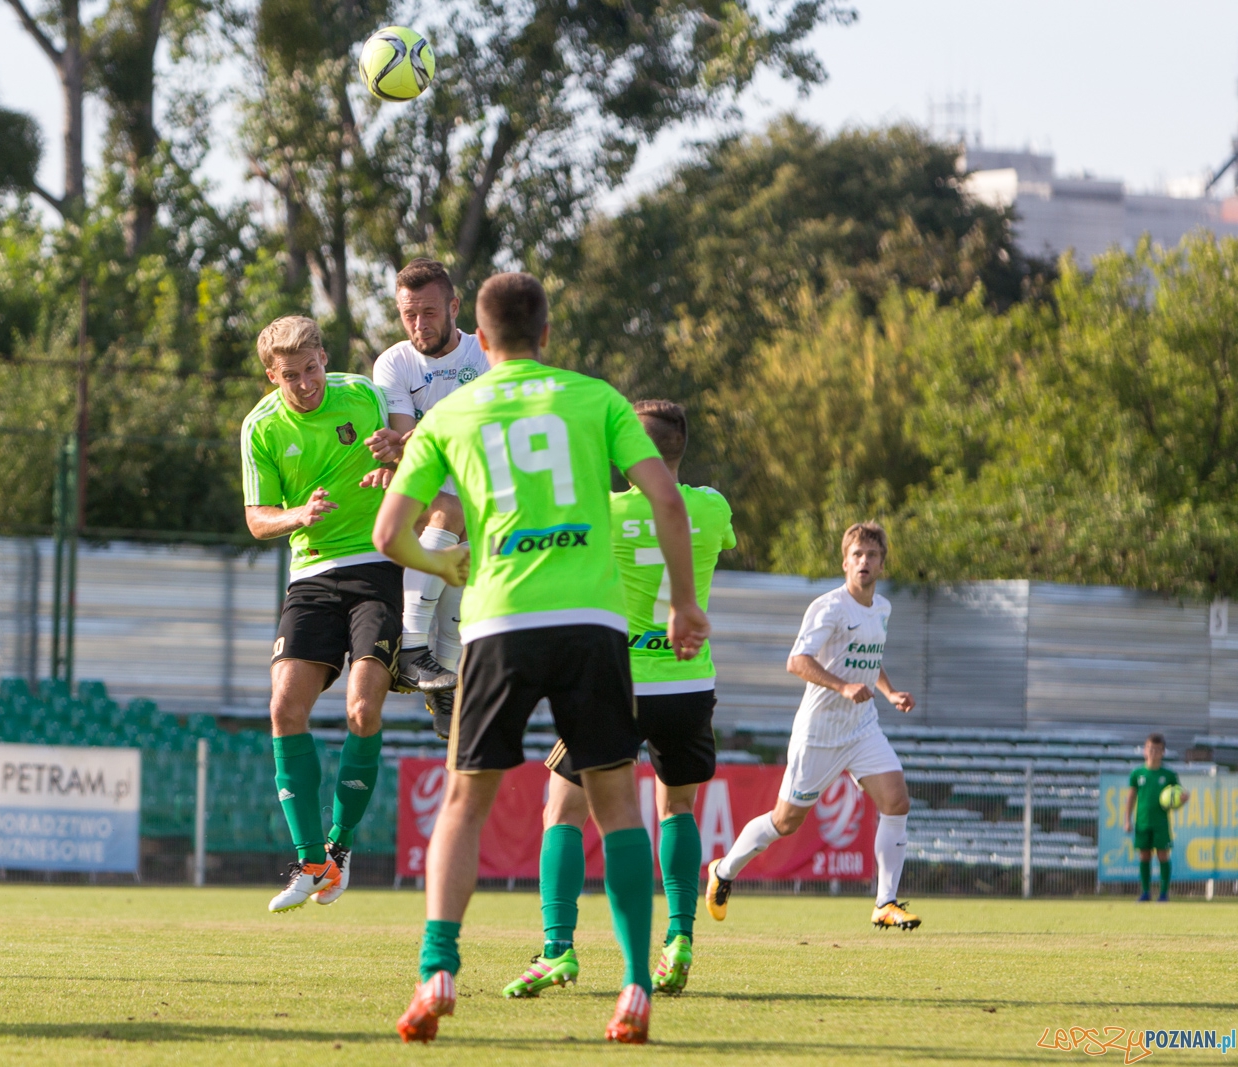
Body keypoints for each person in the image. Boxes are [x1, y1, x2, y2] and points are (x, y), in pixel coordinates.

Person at [371, 272, 710, 1045]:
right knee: (620, 805)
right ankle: (631, 986)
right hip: (591, 624)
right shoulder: (597, 401)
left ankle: (437, 971)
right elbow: (664, 498)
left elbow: (388, 534)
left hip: (499, 622)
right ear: (548, 333)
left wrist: (448, 568)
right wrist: (686, 602)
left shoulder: (452, 411)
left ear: (479, 339)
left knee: (465, 803)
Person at [502, 399, 735, 1001]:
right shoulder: (711, 508)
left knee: (564, 812)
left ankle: (557, 949)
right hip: (687, 682)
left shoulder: (603, 512)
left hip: (616, 682)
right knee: (676, 810)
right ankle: (679, 939)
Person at [240, 316, 401, 913]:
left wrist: (396, 455)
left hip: (377, 566)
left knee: (363, 709)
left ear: (324, 359)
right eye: (291, 376)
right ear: (271, 375)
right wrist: (298, 516)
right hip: (310, 576)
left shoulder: (362, 394)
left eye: (312, 370)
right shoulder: (259, 427)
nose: (306, 384)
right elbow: (258, 519)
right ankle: (310, 863)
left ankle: (341, 846)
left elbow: (416, 457)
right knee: (283, 707)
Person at [704, 522, 921, 931]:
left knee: (896, 801)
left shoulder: (883, 609)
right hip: (820, 732)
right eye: (857, 555)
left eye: (872, 555)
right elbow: (796, 661)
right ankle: (724, 870)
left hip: (862, 728)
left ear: (881, 564)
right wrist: (842, 686)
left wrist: (889, 692)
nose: (864, 561)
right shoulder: (830, 607)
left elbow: (869, 659)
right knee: (785, 822)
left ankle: (885, 902)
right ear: (845, 562)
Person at [367, 258, 491, 738]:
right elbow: (408, 451)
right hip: (424, 488)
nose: (419, 325)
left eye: (429, 313)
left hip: (481, 486)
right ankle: (414, 650)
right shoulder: (395, 362)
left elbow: (480, 437)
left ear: (454, 307)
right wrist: (405, 443)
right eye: (409, 315)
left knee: (462, 558)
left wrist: (415, 438)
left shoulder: (482, 354)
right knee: (450, 509)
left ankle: (445, 682)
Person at [1125, 732, 1185, 902]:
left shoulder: (1168, 775)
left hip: (1161, 823)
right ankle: (1145, 892)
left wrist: (1183, 799)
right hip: (1142, 822)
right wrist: (1127, 820)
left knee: (1163, 855)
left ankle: (1164, 893)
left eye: (1157, 749)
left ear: (1163, 752)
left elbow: (1178, 797)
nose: (1153, 752)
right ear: (1144, 750)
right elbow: (1131, 797)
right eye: (1150, 749)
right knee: (1144, 856)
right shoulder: (1137, 773)